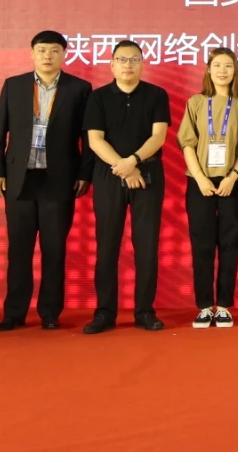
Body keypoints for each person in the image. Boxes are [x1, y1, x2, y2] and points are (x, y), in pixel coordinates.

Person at [0, 30, 93, 331]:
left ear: (64, 54)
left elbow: (88, 137)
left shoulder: (79, 88)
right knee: (19, 250)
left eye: (54, 50)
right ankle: (14, 314)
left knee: (54, 250)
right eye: (42, 50)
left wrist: (84, 174)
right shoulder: (15, 85)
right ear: (32, 53)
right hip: (19, 179)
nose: (48, 56)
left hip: (58, 180)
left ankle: (50, 313)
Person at [82, 40, 171, 334]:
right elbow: (95, 140)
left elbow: (158, 137)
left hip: (148, 174)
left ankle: (145, 311)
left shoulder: (157, 95)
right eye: (122, 60)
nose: (128, 65)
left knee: (146, 245)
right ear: (112, 64)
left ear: (142, 64)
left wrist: (133, 162)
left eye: (134, 60)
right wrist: (124, 168)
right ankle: (104, 312)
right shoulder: (98, 98)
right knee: (107, 245)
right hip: (109, 175)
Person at [178, 48, 238, 330]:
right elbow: (187, 142)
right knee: (202, 244)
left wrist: (233, 175)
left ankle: (223, 306)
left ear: (235, 71)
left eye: (228, 66)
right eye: (217, 65)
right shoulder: (196, 102)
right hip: (200, 182)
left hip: (234, 182)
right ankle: (203, 306)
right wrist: (199, 178)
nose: (222, 71)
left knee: (231, 243)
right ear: (208, 70)